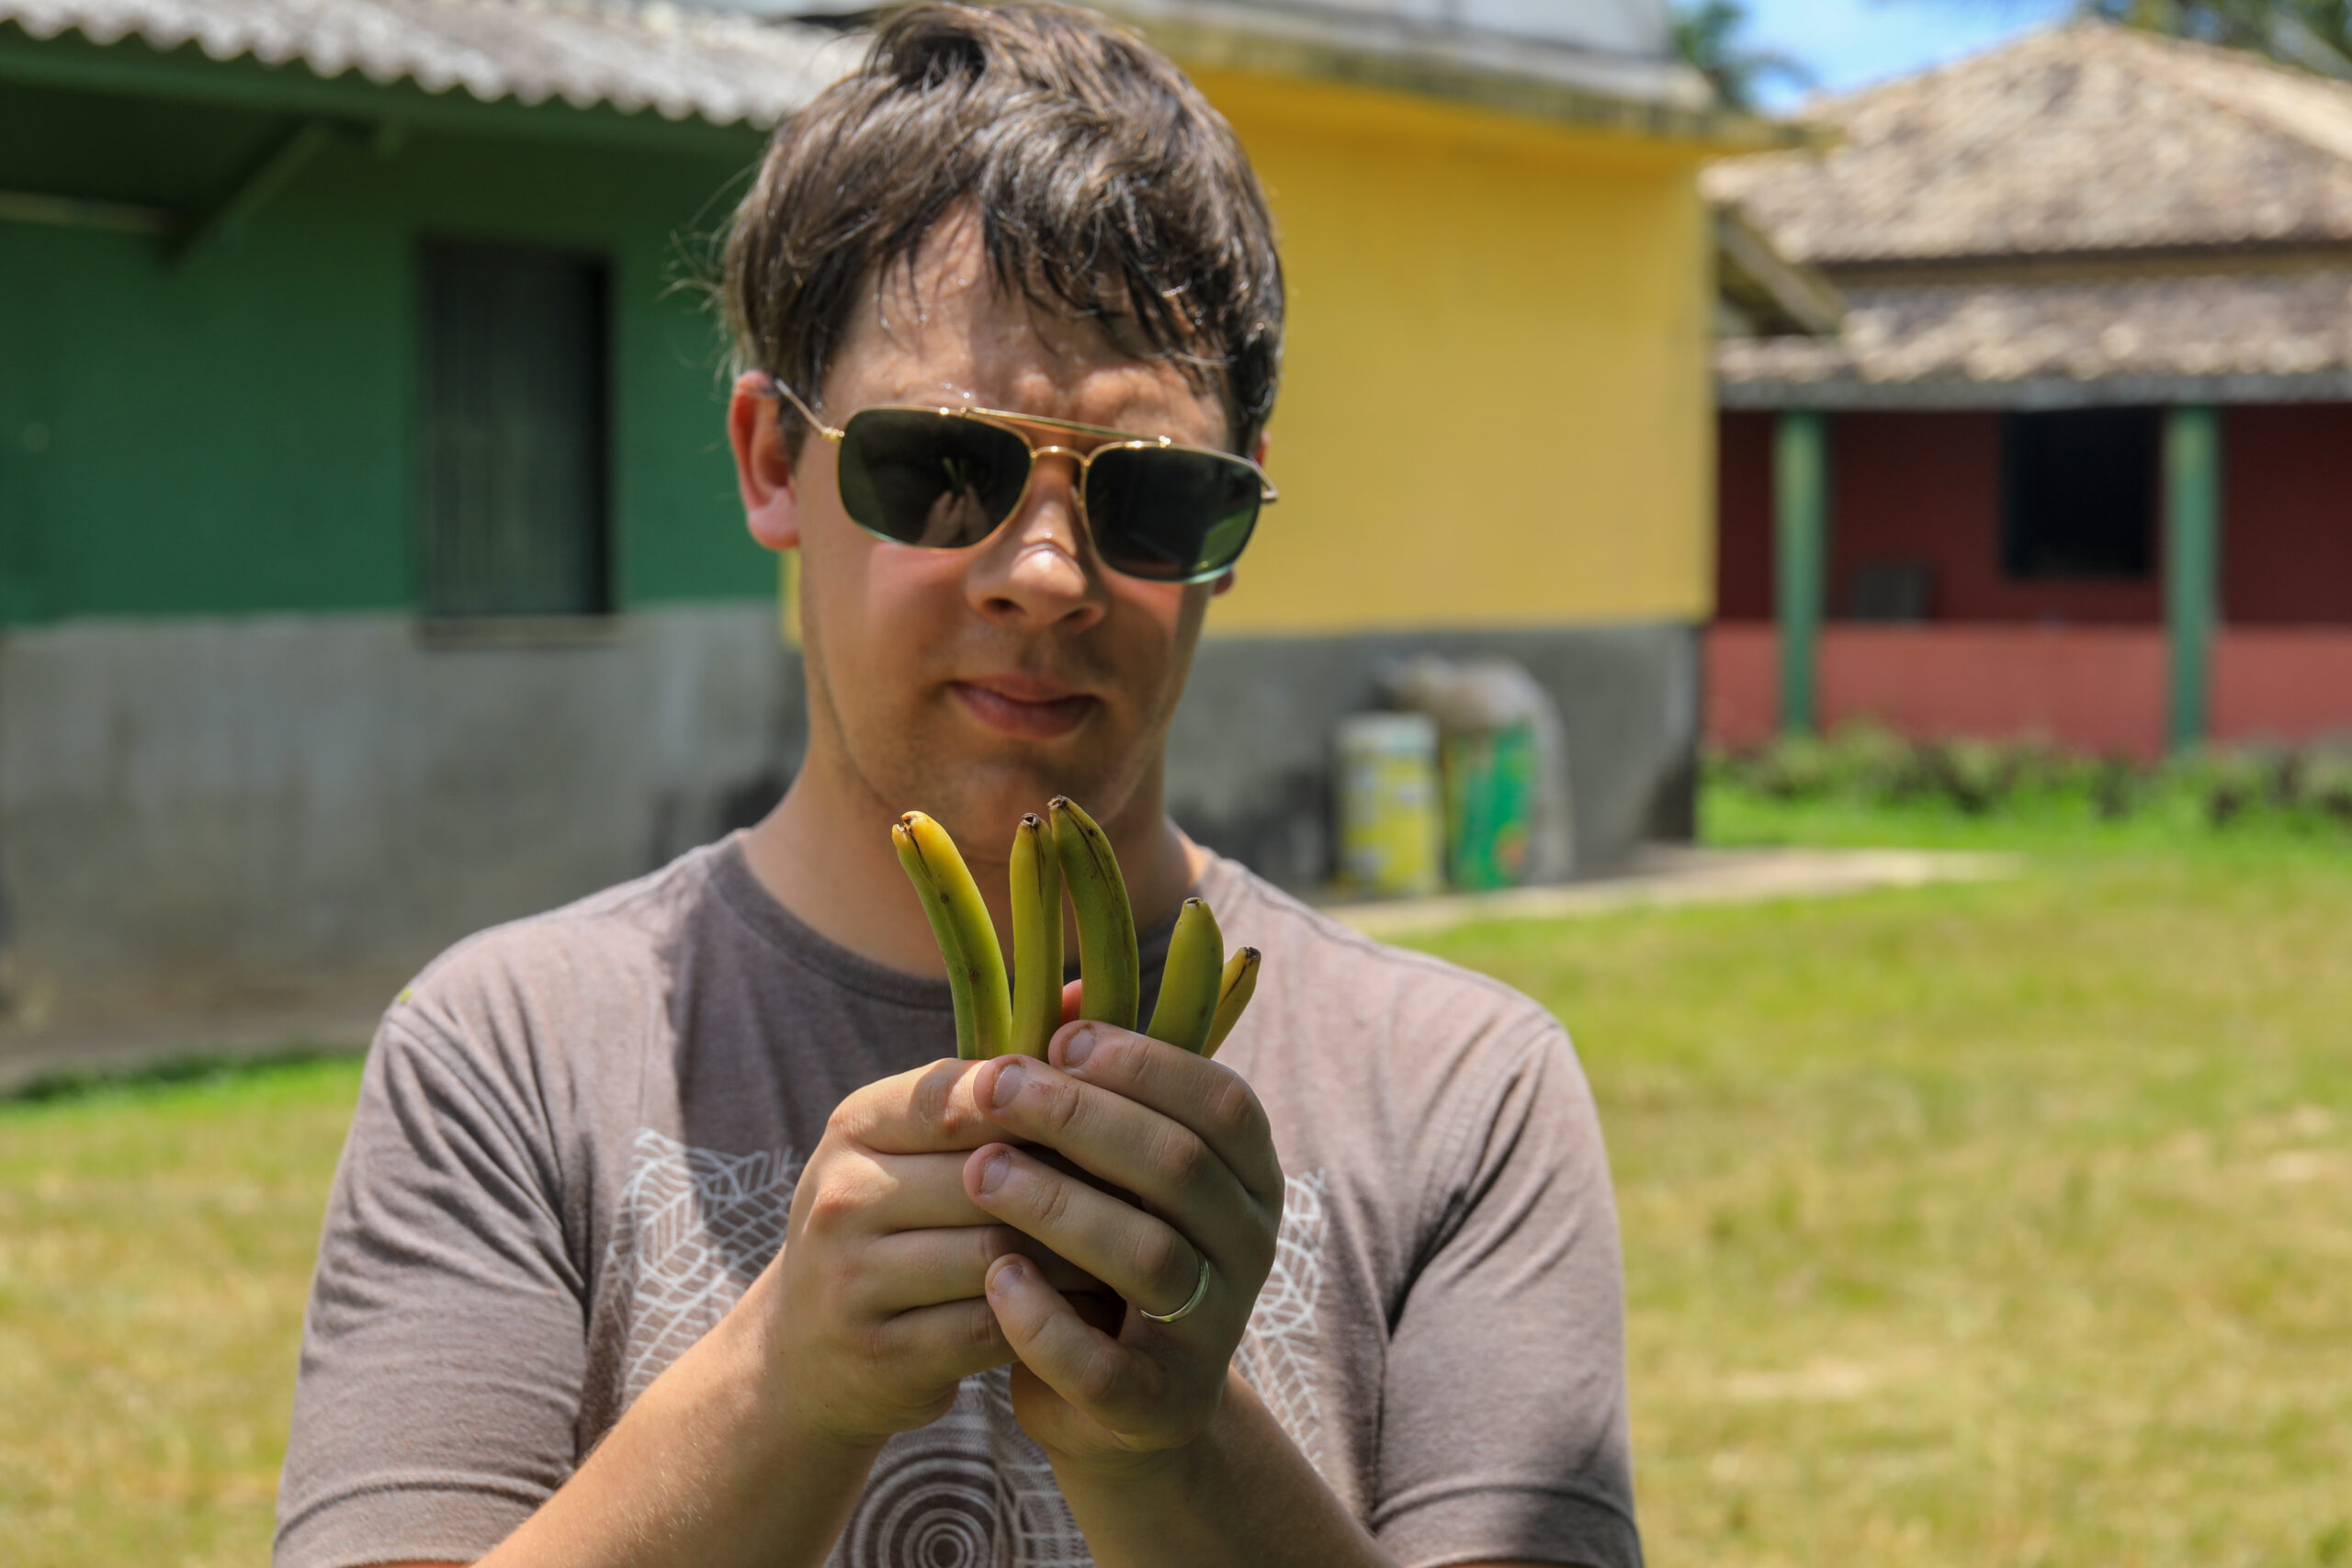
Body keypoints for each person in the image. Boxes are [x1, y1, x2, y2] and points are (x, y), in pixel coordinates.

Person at [274, 5, 1639, 1566]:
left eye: (1153, 494)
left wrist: (1169, 1450)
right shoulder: (511, 1058)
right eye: (942, 467)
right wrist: (782, 1387)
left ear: (1236, 527)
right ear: (771, 460)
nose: (1047, 573)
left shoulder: (1460, 1096)